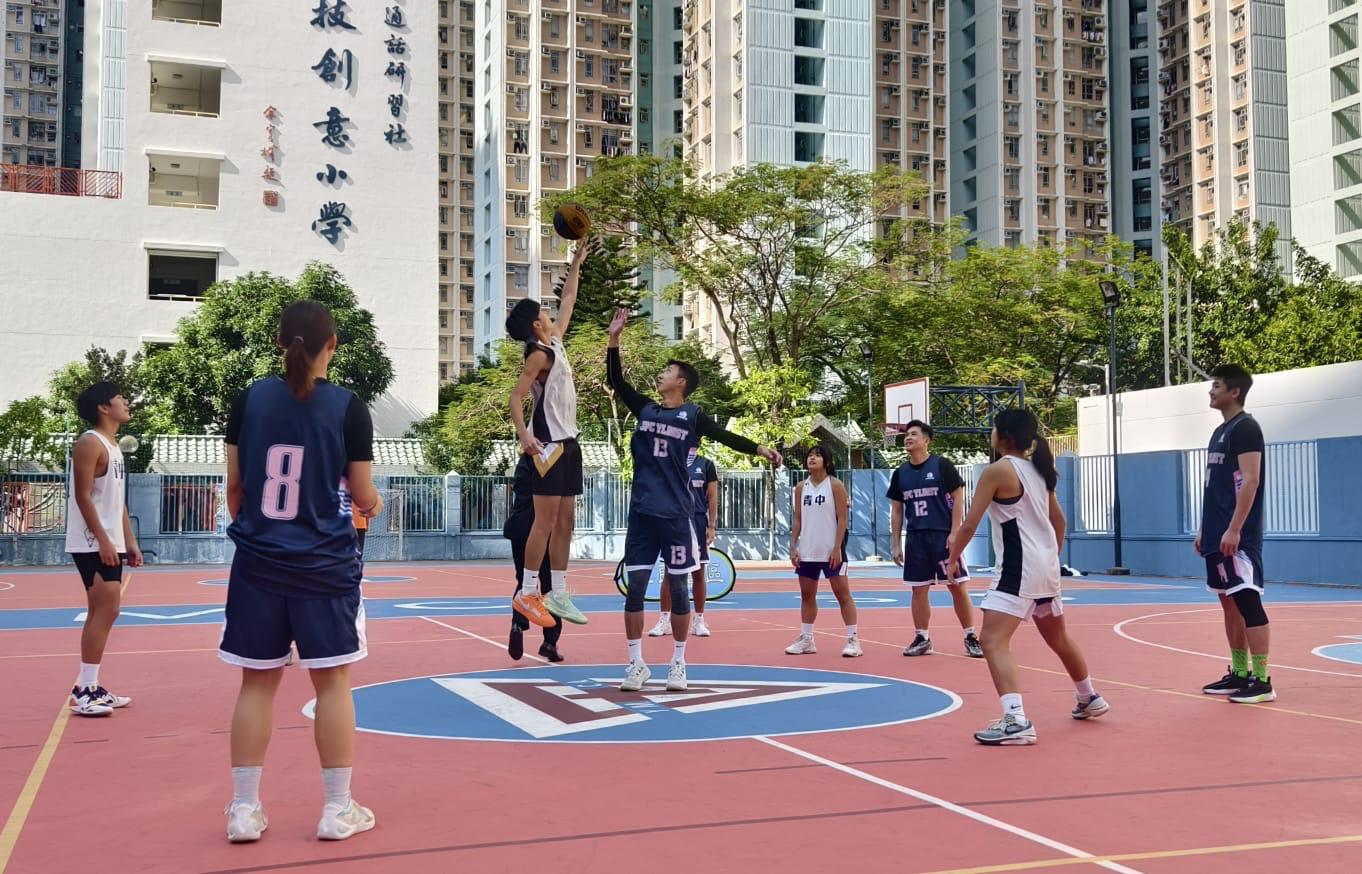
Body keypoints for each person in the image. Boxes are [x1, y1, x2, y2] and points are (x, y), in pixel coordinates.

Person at [219, 301, 382, 843]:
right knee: (332, 682)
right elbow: (361, 494)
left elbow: (236, 489)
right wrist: (374, 501)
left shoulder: (247, 401)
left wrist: (262, 533)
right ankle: (337, 810)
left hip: (258, 562)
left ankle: (244, 810)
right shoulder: (348, 408)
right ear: (331, 345)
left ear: (278, 342)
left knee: (256, 684)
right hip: (324, 566)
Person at [606, 308, 781, 693]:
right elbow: (617, 382)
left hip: (677, 515)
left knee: (680, 589)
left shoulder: (692, 415)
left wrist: (760, 448)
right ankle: (635, 664)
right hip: (641, 516)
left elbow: (724, 436)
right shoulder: (646, 409)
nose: (660, 375)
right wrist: (614, 340)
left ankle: (678, 663)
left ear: (680, 381)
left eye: (667, 371)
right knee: (635, 590)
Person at [946, 409, 1109, 746]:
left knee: (991, 640)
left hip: (1019, 568)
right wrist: (1050, 556)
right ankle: (1089, 696)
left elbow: (969, 523)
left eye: (993, 428)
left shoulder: (998, 470)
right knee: (1058, 638)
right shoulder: (1037, 471)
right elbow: (1059, 523)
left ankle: (1016, 720)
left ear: (1003, 436)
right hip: (1045, 568)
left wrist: (951, 559)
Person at [506, 239, 594, 629]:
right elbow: (515, 397)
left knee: (567, 521)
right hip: (548, 446)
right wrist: (525, 435)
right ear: (534, 323)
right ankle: (528, 591)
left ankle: (557, 591)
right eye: (542, 310)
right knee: (544, 521)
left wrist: (576, 262)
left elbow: (569, 300)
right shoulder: (537, 354)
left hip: (569, 442)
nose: (549, 310)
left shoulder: (554, 339)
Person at [1196, 365, 1273, 703]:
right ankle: (1240, 673)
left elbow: (1250, 480)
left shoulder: (1246, 429)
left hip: (1237, 534)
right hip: (1216, 532)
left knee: (1247, 599)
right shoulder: (1220, 432)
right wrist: (1205, 529)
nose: (1211, 391)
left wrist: (1235, 528)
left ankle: (1263, 680)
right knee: (1227, 602)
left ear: (1234, 392)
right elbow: (1215, 486)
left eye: (1216, 385)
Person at [65, 382, 143, 717]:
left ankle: (91, 685)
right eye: (120, 398)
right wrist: (105, 540)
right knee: (104, 610)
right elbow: (83, 496)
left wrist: (130, 541)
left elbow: (117, 502)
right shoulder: (89, 442)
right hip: (91, 541)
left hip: (107, 539)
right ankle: (84, 689)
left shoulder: (113, 446)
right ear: (103, 407)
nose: (126, 402)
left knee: (107, 611)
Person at [888, 420, 982, 658]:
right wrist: (896, 542)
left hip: (942, 534)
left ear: (926, 440)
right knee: (918, 590)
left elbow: (958, 498)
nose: (908, 438)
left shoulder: (942, 465)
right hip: (916, 538)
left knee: (957, 586)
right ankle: (922, 637)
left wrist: (954, 532)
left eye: (914, 434)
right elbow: (897, 511)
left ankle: (971, 636)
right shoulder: (900, 473)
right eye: (907, 434)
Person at [785, 447, 860, 657]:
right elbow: (798, 519)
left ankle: (853, 640)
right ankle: (806, 639)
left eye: (817, 455)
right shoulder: (801, 487)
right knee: (807, 595)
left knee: (842, 595)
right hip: (808, 549)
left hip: (831, 550)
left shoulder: (835, 485)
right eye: (809, 455)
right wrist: (793, 546)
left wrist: (837, 547)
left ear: (826, 461)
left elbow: (843, 519)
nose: (812, 458)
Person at [648, 447, 718, 638]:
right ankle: (664, 620)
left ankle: (699, 620)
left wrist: (711, 526)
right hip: (674, 521)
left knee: (698, 572)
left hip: (697, 521)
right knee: (670, 573)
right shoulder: (669, 461)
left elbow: (712, 496)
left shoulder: (706, 465)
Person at [506, 453, 565, 662]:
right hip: (543, 531)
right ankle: (550, 641)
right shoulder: (554, 462)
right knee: (551, 587)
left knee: (524, 579)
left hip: (519, 527)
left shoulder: (523, 464)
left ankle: (517, 624)